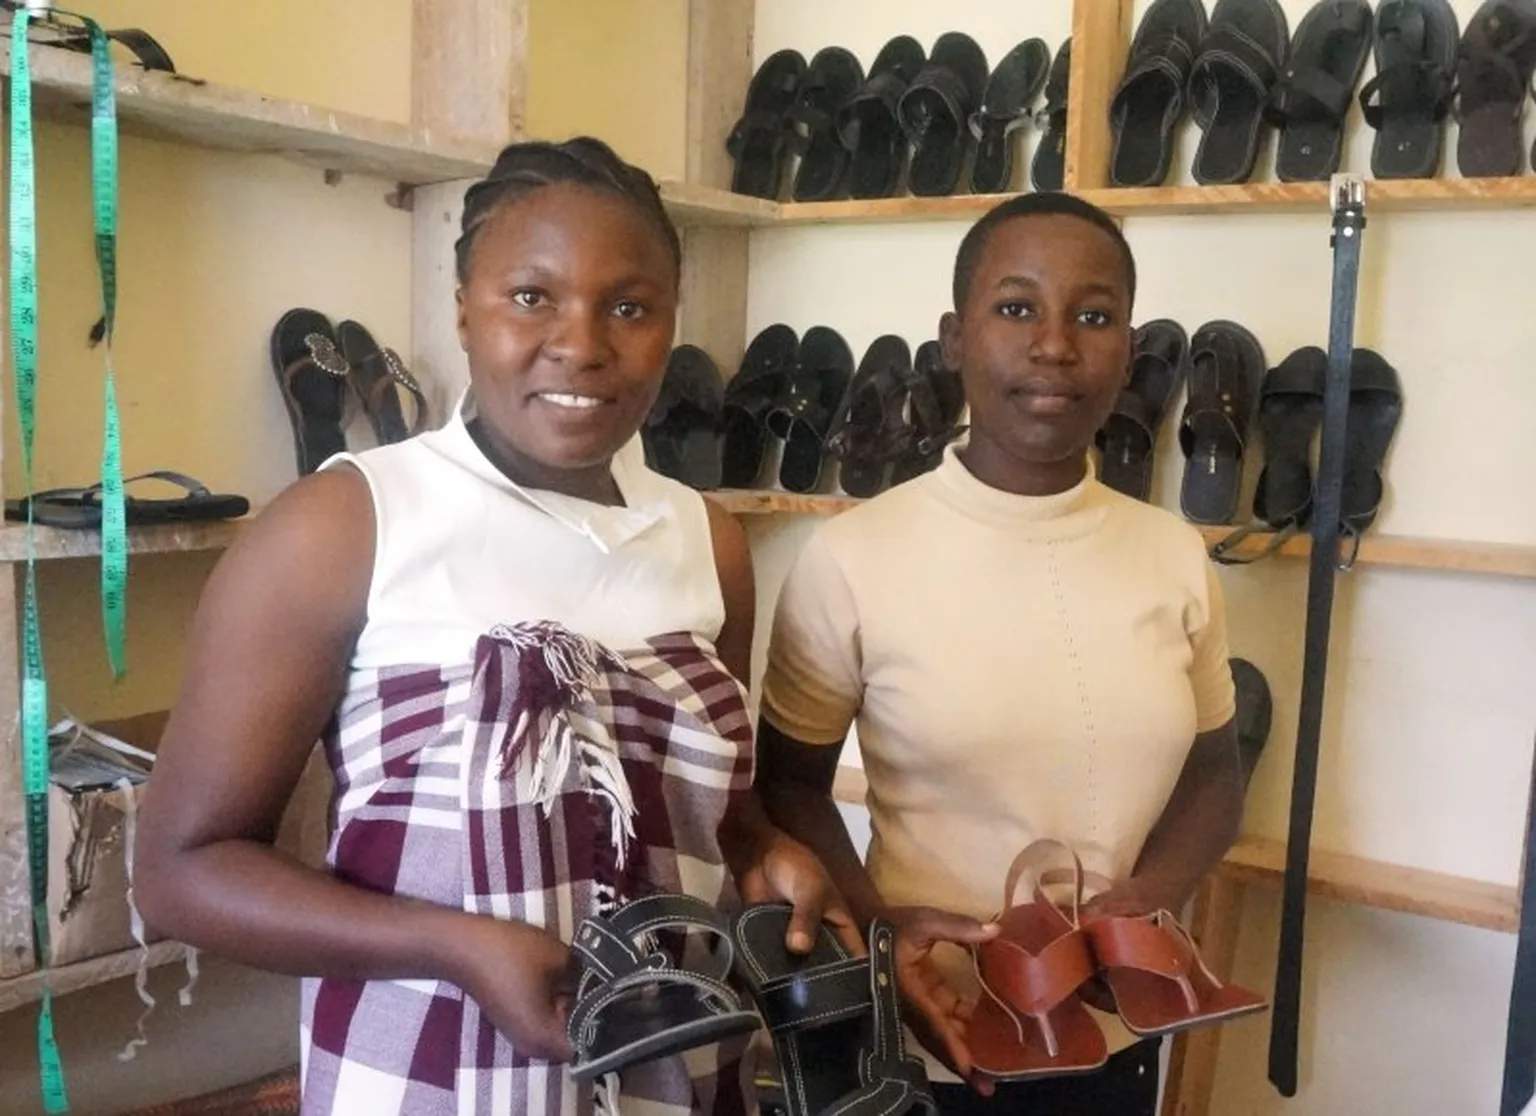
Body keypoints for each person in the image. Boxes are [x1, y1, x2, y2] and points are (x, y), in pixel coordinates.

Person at [135, 137, 855, 1116]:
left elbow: (725, 825)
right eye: (532, 297)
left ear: (670, 326)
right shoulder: (347, 524)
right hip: (423, 1079)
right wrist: (453, 946)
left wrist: (772, 858)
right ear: (464, 305)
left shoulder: (706, 541)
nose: (582, 343)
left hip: (677, 1075)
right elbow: (183, 872)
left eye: (629, 307)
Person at [755, 192, 1248, 1116]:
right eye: (1015, 308)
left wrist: (1150, 897)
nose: (1054, 344)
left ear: (1129, 349)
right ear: (952, 336)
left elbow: (1217, 777)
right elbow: (788, 790)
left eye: (1092, 316)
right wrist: (875, 933)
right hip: (926, 1035)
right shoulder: (855, 557)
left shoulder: (1173, 554)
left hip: (1114, 1034)